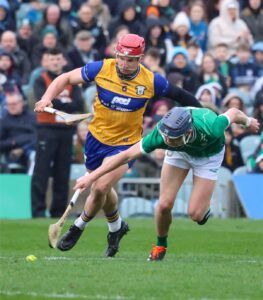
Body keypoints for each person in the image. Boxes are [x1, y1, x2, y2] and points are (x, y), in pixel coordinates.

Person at [34, 33, 202, 257]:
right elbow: (64, 78)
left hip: (127, 145)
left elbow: (183, 96)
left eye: (131, 60)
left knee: (100, 187)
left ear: (140, 59)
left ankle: (77, 227)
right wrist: (47, 97)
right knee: (104, 190)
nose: (124, 64)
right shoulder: (102, 68)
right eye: (121, 58)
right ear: (116, 54)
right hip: (96, 139)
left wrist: (203, 117)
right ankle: (116, 227)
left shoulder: (151, 80)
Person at [73, 106, 259, 261]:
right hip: (179, 153)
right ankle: (160, 247)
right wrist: (90, 177)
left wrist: (248, 122)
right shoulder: (164, 135)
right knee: (163, 205)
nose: (167, 140)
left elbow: (234, 112)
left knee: (195, 214)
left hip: (208, 156)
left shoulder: (211, 126)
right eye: (166, 137)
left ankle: (203, 210)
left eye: (173, 138)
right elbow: (125, 155)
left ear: (188, 132)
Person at [31, 47, 84, 218]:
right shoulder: (40, 79)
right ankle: (38, 212)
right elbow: (44, 103)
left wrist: (57, 102)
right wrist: (64, 102)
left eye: (57, 59)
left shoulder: (70, 81)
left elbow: (77, 104)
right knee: (42, 171)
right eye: (51, 59)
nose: (55, 62)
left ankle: (58, 212)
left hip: (66, 130)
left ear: (63, 61)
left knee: (63, 172)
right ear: (45, 61)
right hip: (46, 130)